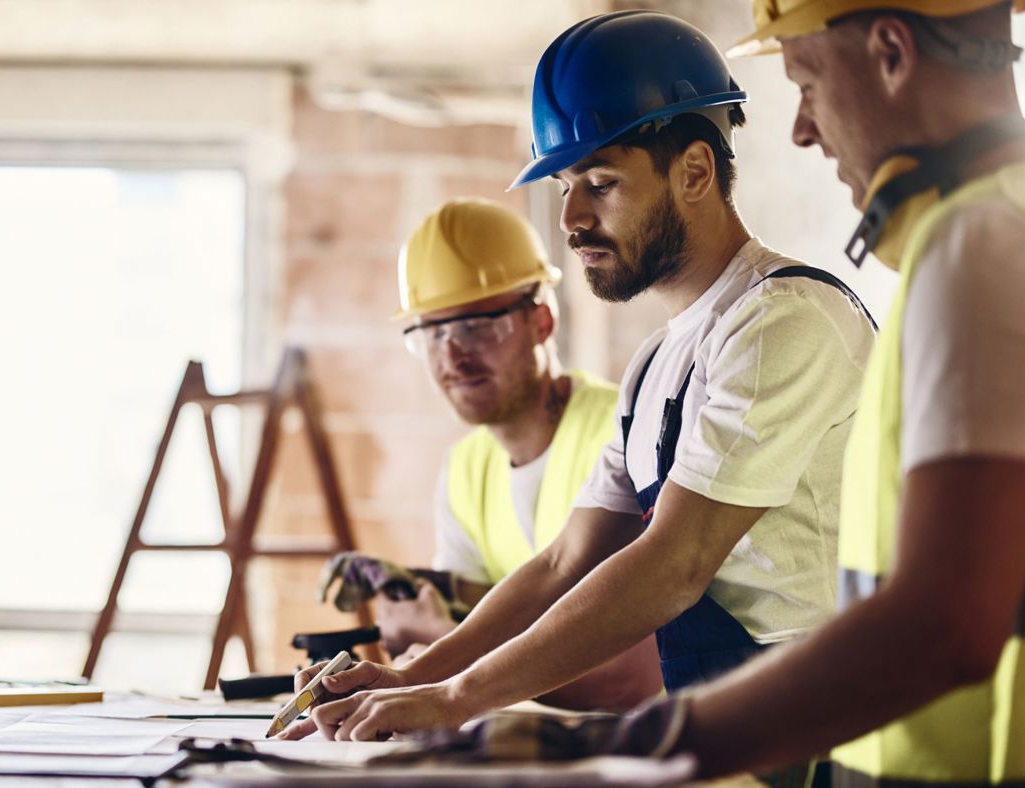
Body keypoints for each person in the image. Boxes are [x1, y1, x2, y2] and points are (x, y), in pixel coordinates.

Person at [280, 9, 876, 751]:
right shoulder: (660, 361)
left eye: (599, 182)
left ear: (694, 171)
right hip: (731, 721)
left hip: (819, 729)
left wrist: (455, 697)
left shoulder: (783, 322)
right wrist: (413, 678)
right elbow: (568, 558)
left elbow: (675, 565)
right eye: (566, 185)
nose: (571, 219)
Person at [576, 1, 1025, 782]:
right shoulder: (1023, 225)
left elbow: (946, 624)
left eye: (807, 80)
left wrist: (657, 744)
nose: (803, 129)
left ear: (891, 51)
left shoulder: (984, 246)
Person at [322, 197, 663, 711]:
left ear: (541, 322)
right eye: (431, 334)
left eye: (475, 327)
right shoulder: (465, 470)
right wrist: (427, 596)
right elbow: (494, 616)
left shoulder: (624, 433)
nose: (452, 357)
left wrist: (439, 645)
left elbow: (627, 679)